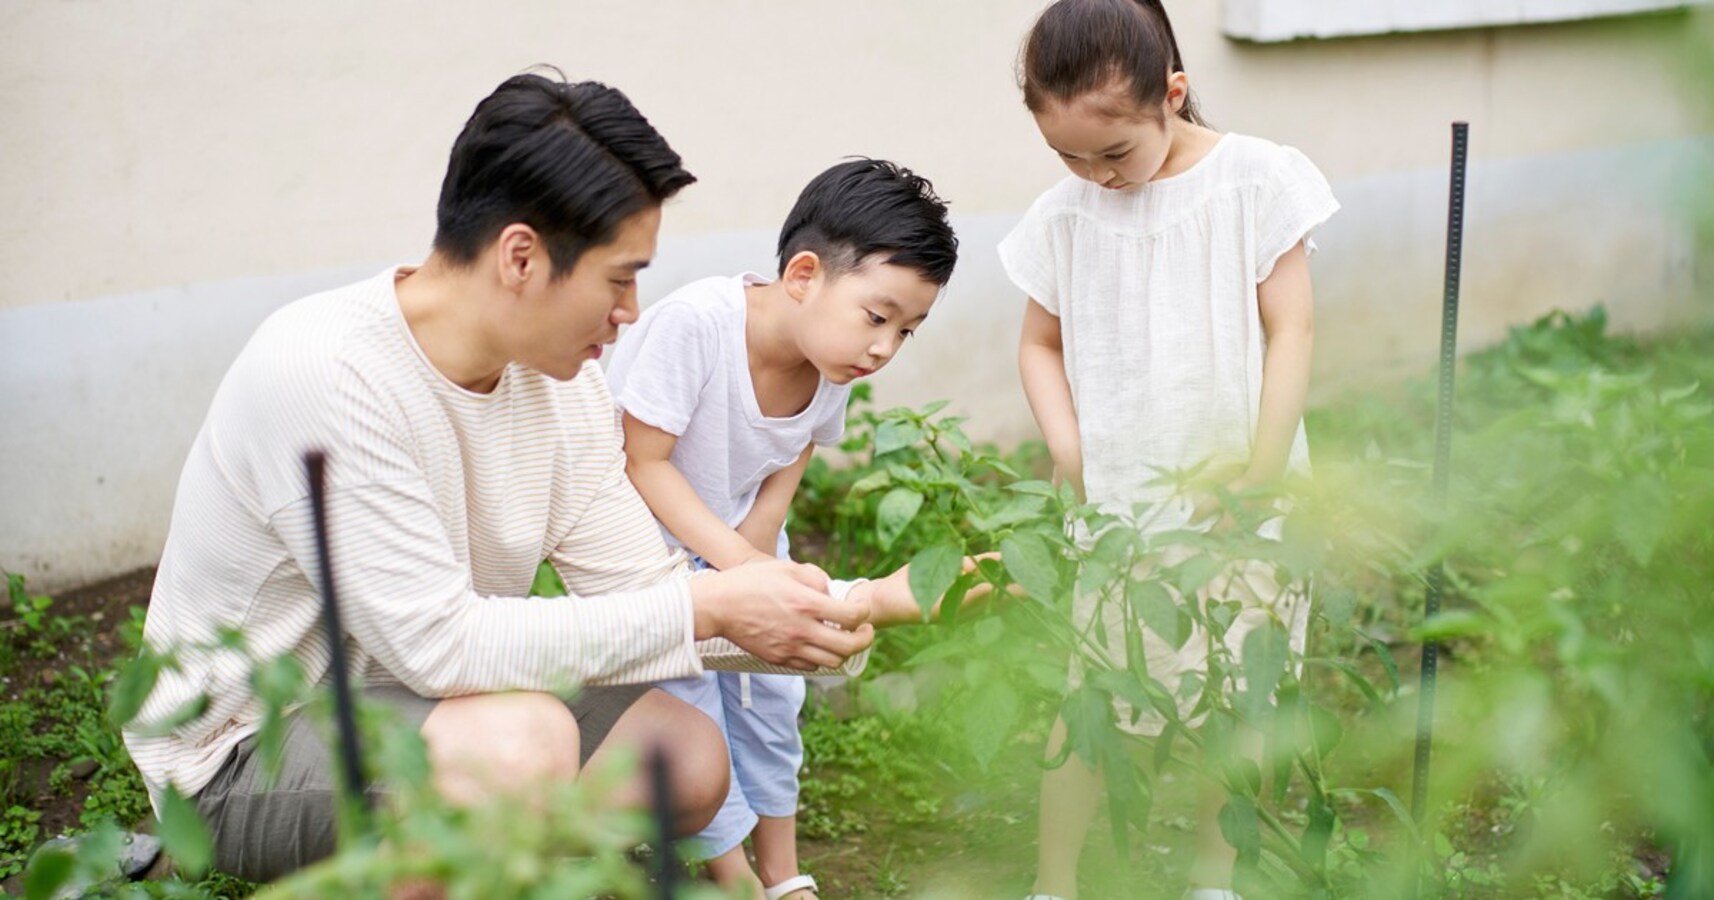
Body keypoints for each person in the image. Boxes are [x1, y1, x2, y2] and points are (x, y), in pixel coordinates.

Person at [120, 72, 938, 885]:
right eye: (620, 277)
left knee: (685, 761)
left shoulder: (563, 385)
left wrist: (844, 608)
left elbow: (641, 588)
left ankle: (440, 849)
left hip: (422, 703)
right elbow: (440, 645)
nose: (630, 310)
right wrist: (709, 601)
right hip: (236, 755)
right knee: (523, 747)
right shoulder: (327, 372)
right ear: (521, 256)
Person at [997, 2, 1339, 898]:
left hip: (1241, 494)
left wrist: (1262, 474)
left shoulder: (1256, 181)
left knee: (1240, 692)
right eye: (1067, 155)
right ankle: (1055, 883)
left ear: (1172, 96)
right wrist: (1069, 450)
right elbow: (1037, 344)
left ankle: (1214, 879)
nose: (1094, 175)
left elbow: (1292, 329)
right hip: (1119, 501)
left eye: (1112, 153)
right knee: (1093, 692)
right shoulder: (1066, 213)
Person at [606, 158, 958, 900]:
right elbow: (643, 461)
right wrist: (737, 565)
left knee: (775, 696)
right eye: (877, 316)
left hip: (740, 543)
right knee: (694, 702)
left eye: (907, 331)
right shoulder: (699, 325)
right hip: (649, 551)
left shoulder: (829, 365)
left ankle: (782, 869)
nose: (884, 349)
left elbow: (794, 448)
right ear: (804, 275)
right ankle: (729, 873)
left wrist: (762, 535)